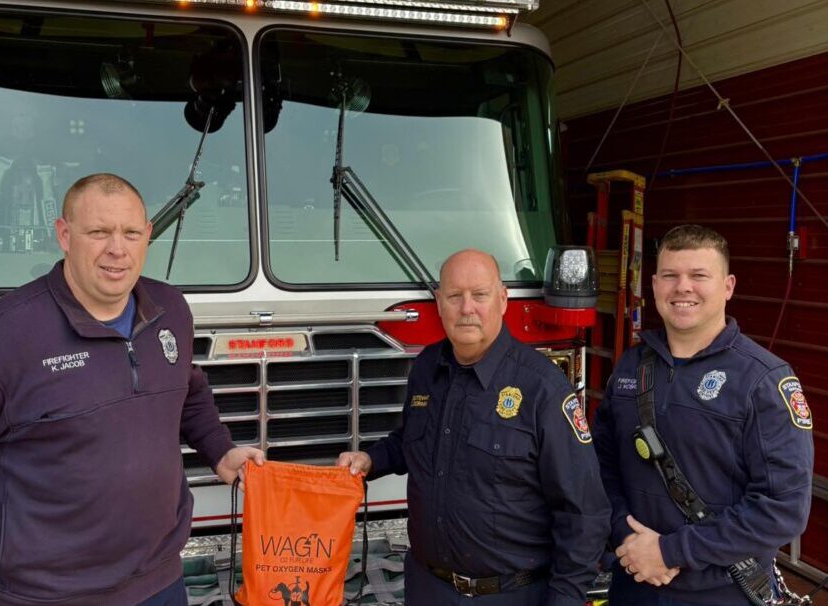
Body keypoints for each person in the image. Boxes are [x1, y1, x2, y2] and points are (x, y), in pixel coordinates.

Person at [0, 173, 264, 606]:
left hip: (160, 581)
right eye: (98, 232)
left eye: (131, 233)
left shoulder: (170, 310)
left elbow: (188, 391)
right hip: (46, 596)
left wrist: (221, 450)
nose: (117, 250)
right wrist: (11, 535)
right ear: (64, 235)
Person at [337, 249, 610, 606]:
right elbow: (412, 441)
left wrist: (566, 598)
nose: (467, 308)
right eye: (454, 296)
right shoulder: (426, 368)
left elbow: (584, 511)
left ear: (501, 300)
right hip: (427, 589)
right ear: (439, 303)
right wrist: (370, 460)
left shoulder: (542, 388)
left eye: (479, 295)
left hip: (512, 595)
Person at [592, 225, 814, 605]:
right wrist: (626, 538)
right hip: (633, 583)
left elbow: (783, 508)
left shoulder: (763, 380)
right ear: (655, 284)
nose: (683, 288)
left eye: (698, 276)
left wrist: (671, 551)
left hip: (720, 593)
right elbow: (601, 467)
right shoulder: (631, 368)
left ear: (727, 286)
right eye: (670, 276)